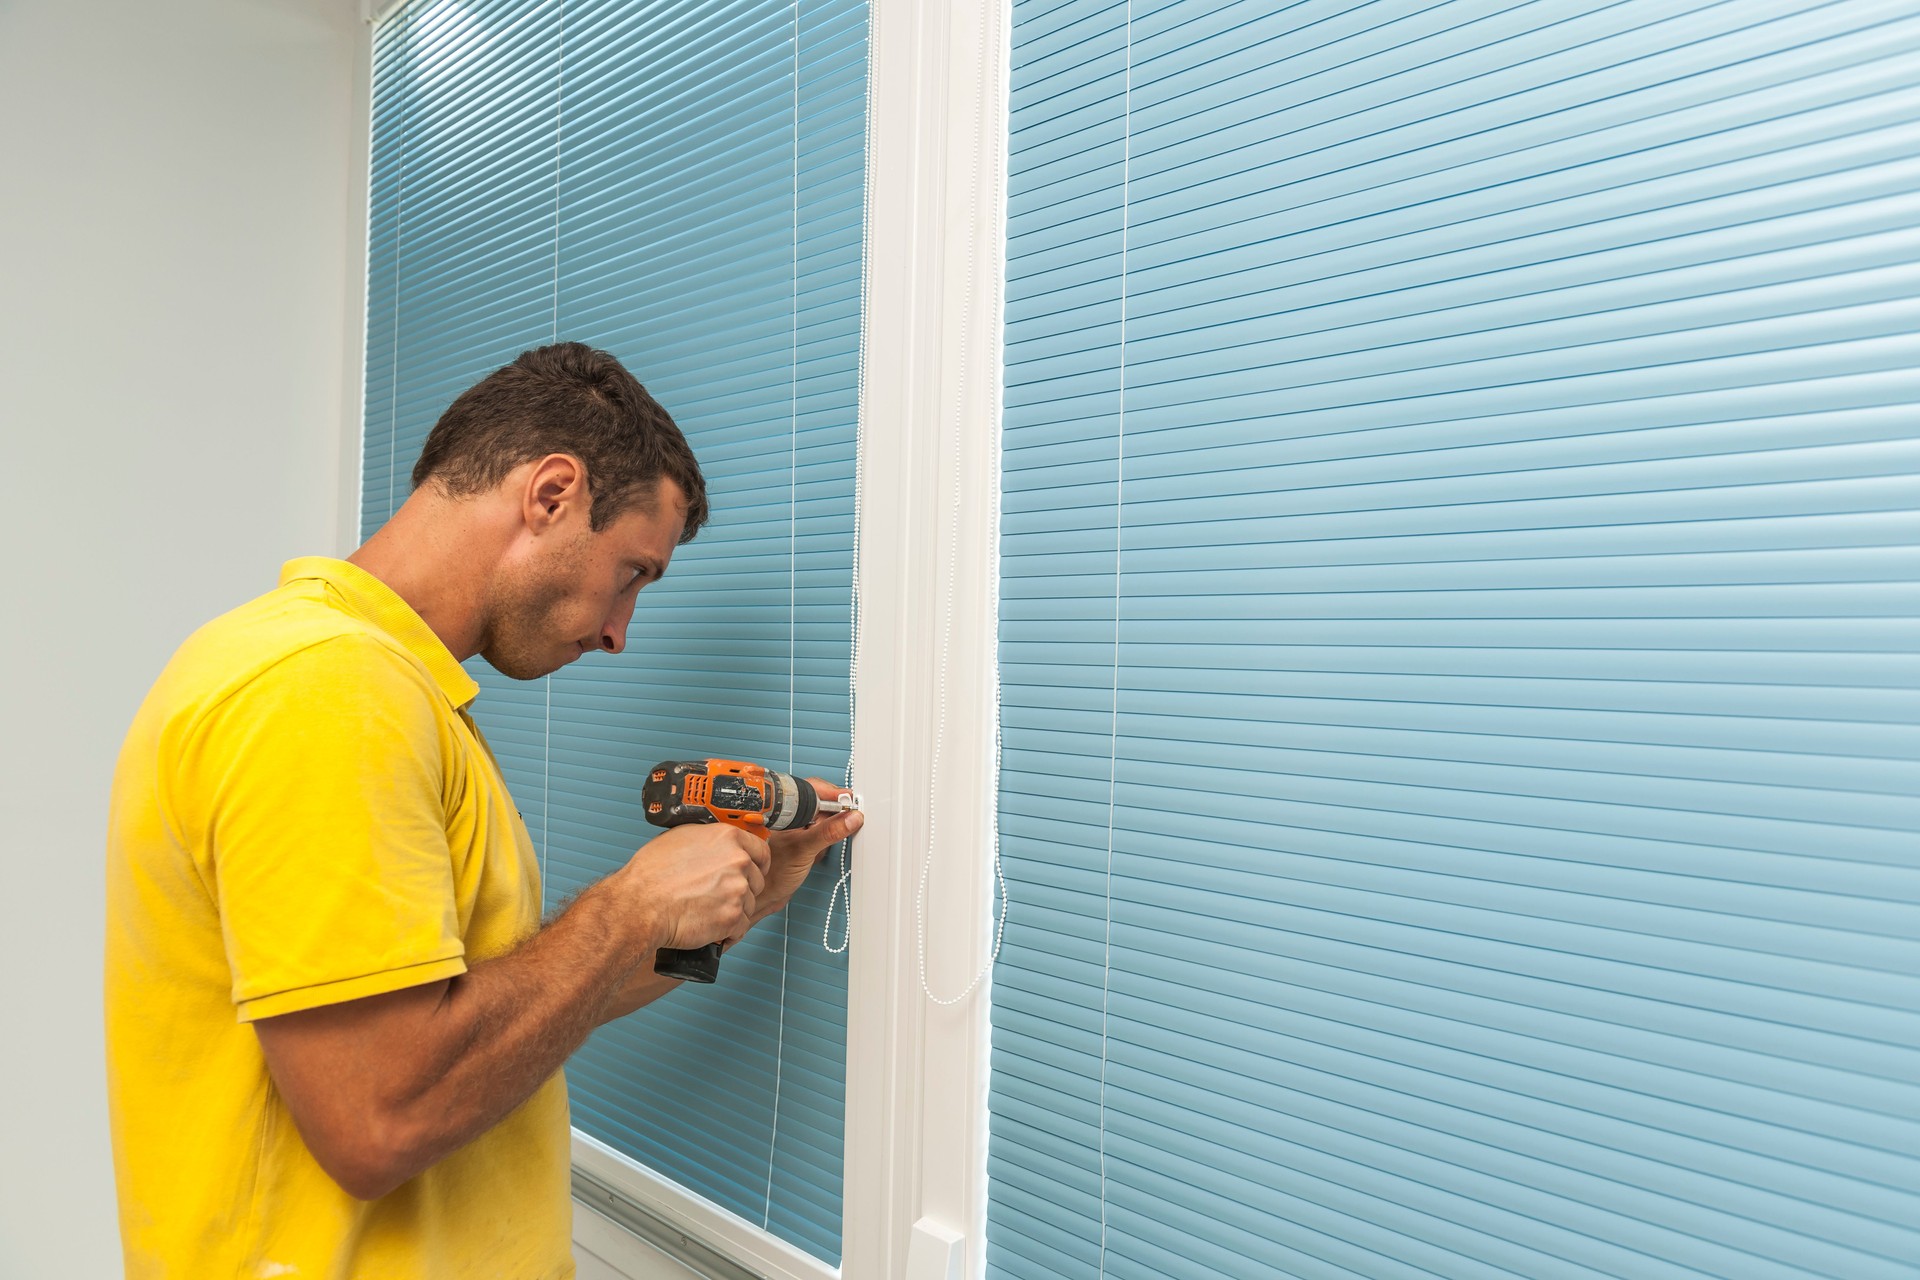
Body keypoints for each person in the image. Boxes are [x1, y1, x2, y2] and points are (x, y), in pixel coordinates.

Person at [103, 342, 860, 1279]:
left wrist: (738, 899)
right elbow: (381, 1115)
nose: (622, 632)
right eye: (632, 572)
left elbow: (501, 1019)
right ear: (551, 493)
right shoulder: (326, 693)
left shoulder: (374, 686)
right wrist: (626, 908)